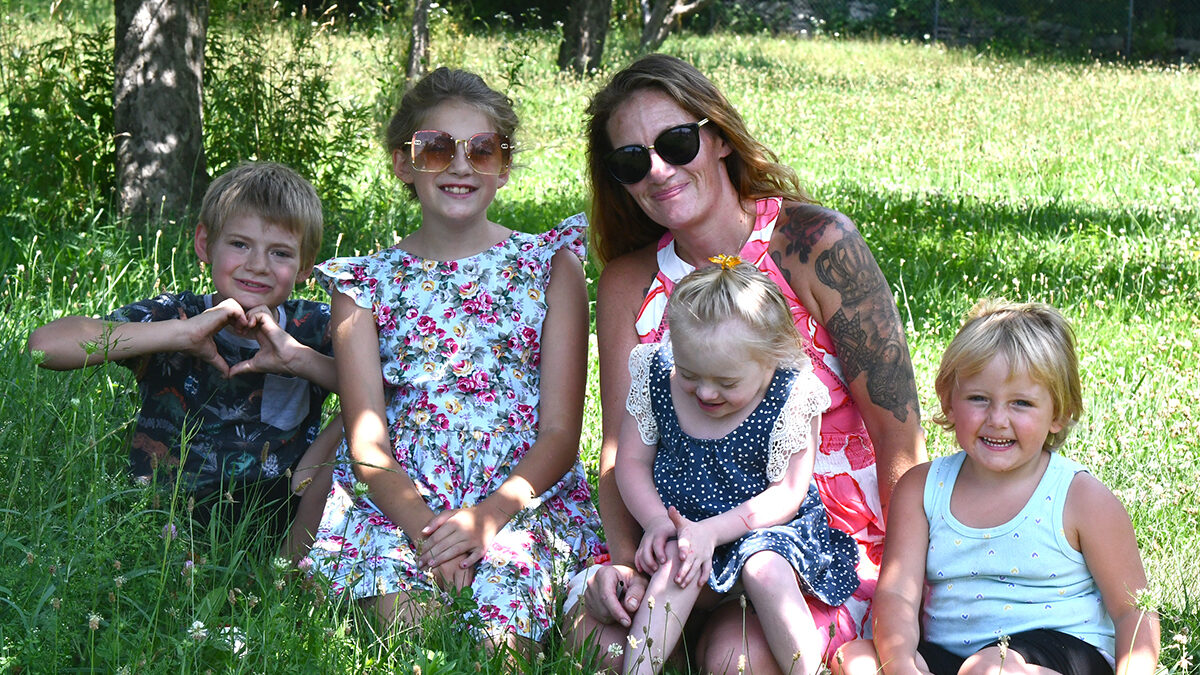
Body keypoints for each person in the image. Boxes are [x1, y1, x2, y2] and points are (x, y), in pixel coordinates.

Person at [567, 53, 926, 672]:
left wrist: (908, 588)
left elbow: (897, 429)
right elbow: (619, 448)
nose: (657, 171)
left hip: (804, 541)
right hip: (675, 536)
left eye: (677, 143)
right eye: (630, 160)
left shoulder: (811, 244)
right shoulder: (629, 281)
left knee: (738, 660)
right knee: (598, 645)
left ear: (718, 138)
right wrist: (627, 561)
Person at [303, 67, 605, 653]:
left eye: (483, 150)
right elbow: (368, 445)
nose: (461, 166)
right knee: (411, 630)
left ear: (504, 166)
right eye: (437, 149)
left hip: (520, 500)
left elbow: (562, 434)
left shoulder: (551, 266)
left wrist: (486, 520)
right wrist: (430, 535)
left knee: (498, 644)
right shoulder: (362, 285)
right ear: (403, 164)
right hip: (402, 504)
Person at [833, 300, 1160, 675]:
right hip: (953, 658)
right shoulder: (922, 489)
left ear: (1058, 414)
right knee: (855, 657)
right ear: (948, 402)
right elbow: (896, 594)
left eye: (1021, 403)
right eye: (978, 399)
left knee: (992, 667)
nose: (997, 420)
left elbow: (1133, 608)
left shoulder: (1079, 498)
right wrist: (901, 664)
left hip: (1056, 655)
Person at [27, 161, 337, 535]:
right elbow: (44, 345)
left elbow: (393, 389)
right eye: (240, 244)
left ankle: (290, 572)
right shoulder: (176, 315)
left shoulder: (315, 326)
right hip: (164, 516)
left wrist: (299, 359)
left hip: (277, 517)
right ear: (205, 244)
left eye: (280, 253)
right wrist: (180, 335)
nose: (257, 265)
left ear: (305, 265)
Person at [616, 258, 860, 675]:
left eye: (727, 383)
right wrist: (657, 522)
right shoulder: (657, 374)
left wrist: (713, 531)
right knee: (680, 559)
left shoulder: (792, 394)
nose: (706, 392)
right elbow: (631, 462)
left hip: (766, 532)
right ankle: (639, 669)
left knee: (763, 567)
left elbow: (787, 493)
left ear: (772, 358)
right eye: (691, 374)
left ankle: (808, 670)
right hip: (681, 528)